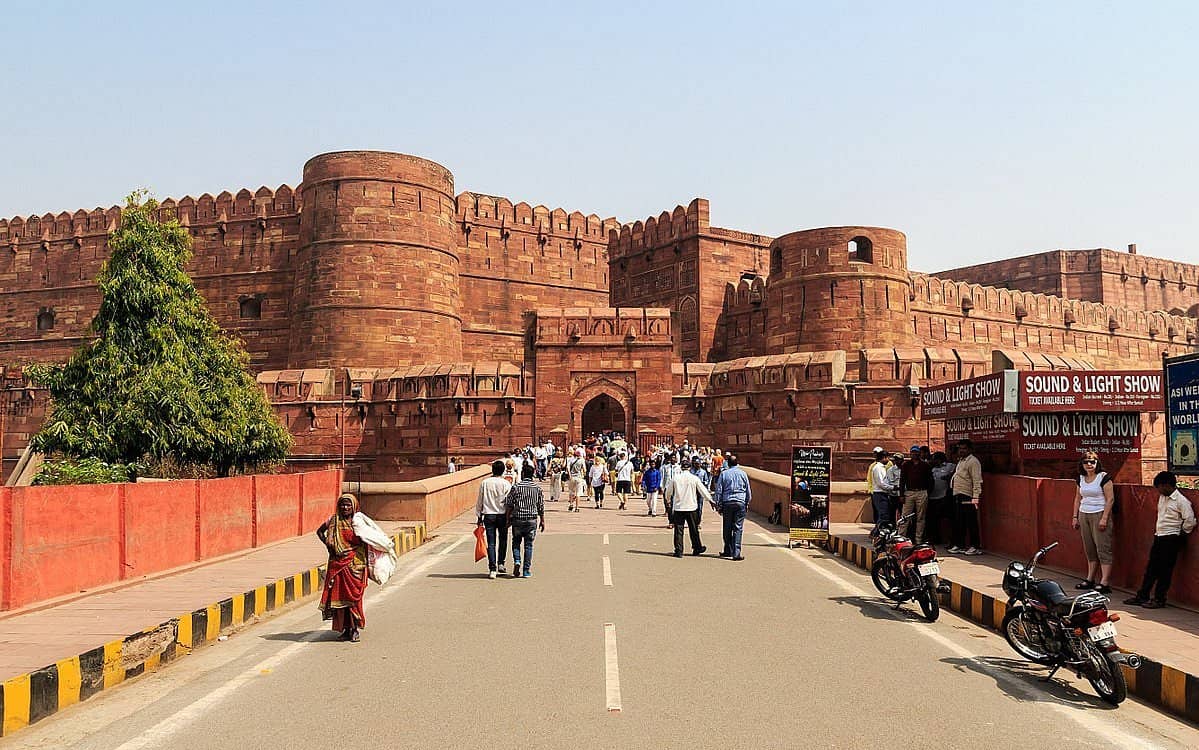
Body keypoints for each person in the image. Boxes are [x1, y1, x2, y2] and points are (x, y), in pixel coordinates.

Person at [316, 493, 392, 642]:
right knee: (339, 598)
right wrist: (329, 545)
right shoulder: (333, 520)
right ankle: (344, 629)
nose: (345, 507)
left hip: (356, 565)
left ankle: (354, 628)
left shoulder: (359, 523)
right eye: (343, 505)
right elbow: (319, 532)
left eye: (348, 505)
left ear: (354, 507)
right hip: (337, 565)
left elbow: (370, 539)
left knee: (354, 599)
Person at [1124, 471, 1196, 609]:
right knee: (1151, 568)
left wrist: (1181, 534)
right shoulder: (1163, 497)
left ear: (1167, 485)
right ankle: (1142, 595)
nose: (1158, 491)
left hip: (1172, 537)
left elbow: (1190, 521)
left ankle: (1159, 598)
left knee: (1165, 570)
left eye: (1160, 487)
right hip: (1160, 535)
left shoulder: (1181, 501)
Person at [1071, 451, 1115, 594]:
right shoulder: (1081, 479)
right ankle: (1090, 578)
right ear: (1082, 464)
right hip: (1084, 513)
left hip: (1099, 513)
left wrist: (1104, 518)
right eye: (1086, 462)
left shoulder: (1103, 477)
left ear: (1097, 463)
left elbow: (1110, 499)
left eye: (1092, 461)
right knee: (1089, 548)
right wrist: (1075, 517)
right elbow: (1077, 498)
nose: (1089, 464)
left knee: (1103, 548)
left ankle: (1105, 581)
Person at [505, 463, 545, 578]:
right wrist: (542, 520)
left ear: (522, 473)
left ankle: (517, 561)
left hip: (518, 519)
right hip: (531, 520)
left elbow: (509, 504)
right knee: (528, 545)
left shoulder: (516, 487)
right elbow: (540, 506)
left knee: (516, 542)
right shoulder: (537, 488)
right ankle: (526, 570)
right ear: (533, 474)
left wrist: (508, 519)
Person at [664, 463, 711, 557]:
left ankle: (679, 550)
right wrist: (710, 500)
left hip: (679, 507)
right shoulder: (694, 478)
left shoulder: (676, 478)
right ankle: (697, 547)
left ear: (681, 468)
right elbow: (703, 490)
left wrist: (668, 500)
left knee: (678, 530)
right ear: (689, 468)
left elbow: (668, 492)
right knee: (693, 529)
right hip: (691, 507)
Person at [476, 460, 512, 579]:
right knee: (503, 540)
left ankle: (492, 569)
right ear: (503, 471)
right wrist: (510, 517)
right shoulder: (506, 484)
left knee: (491, 542)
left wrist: (478, 516)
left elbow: (480, 500)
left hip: (489, 515)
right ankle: (501, 563)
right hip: (502, 515)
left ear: (492, 470)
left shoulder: (485, 483)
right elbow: (509, 502)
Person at [713, 453, 752, 560]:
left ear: (728, 463)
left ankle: (727, 550)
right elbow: (748, 490)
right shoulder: (743, 474)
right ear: (737, 463)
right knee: (738, 528)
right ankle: (736, 552)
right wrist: (747, 502)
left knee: (727, 527)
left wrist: (718, 504)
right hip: (740, 502)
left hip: (727, 502)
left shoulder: (724, 474)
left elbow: (719, 490)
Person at [949, 439, 983, 555]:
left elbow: (977, 481)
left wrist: (975, 498)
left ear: (970, 449)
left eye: (964, 449)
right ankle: (960, 545)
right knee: (960, 521)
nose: (961, 451)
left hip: (968, 495)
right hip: (958, 494)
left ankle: (975, 546)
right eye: (960, 449)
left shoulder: (973, 462)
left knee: (971, 521)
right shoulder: (961, 461)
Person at [899, 445, 932, 543]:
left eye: (916, 452)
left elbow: (930, 480)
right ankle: (901, 537)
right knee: (905, 516)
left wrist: (927, 492)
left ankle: (918, 539)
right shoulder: (906, 465)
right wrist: (901, 494)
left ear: (919, 453)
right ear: (910, 454)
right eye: (913, 452)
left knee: (920, 517)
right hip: (909, 492)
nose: (914, 454)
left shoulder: (925, 465)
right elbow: (902, 480)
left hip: (922, 492)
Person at [927, 450, 956, 545]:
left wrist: (948, 477)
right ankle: (936, 539)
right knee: (933, 520)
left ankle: (951, 540)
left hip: (944, 497)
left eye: (934, 459)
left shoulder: (950, 466)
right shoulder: (932, 468)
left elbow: (955, 474)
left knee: (948, 519)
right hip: (933, 497)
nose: (932, 460)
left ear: (939, 459)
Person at [867, 447, 890, 537]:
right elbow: (881, 483)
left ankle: (876, 532)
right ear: (884, 457)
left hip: (880, 493)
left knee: (882, 515)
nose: (888, 460)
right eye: (887, 458)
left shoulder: (880, 467)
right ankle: (876, 533)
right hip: (880, 493)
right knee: (883, 515)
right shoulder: (878, 468)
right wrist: (892, 488)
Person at [688, 455, 711, 527]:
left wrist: (704, 486)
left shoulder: (703, 472)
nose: (697, 465)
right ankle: (693, 521)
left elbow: (706, 481)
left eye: (698, 464)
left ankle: (698, 522)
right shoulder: (691, 471)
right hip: (692, 491)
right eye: (696, 464)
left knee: (700, 507)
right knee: (692, 507)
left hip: (700, 492)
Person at [567, 448, 588, 513]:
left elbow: (567, 468)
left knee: (571, 492)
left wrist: (570, 475)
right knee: (578, 493)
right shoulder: (582, 460)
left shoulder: (570, 459)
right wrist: (583, 474)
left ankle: (571, 504)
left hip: (572, 477)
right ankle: (577, 507)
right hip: (579, 477)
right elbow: (584, 469)